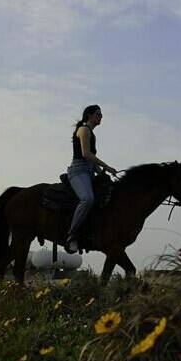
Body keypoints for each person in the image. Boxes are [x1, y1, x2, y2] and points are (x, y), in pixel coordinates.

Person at [66, 105, 118, 253]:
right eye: (98, 114)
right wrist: (107, 167)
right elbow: (86, 154)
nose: (101, 117)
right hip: (78, 171)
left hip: (89, 172)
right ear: (89, 115)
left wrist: (102, 172)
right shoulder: (83, 130)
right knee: (87, 199)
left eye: (101, 115)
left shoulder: (91, 134)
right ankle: (72, 235)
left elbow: (91, 162)